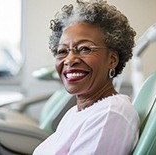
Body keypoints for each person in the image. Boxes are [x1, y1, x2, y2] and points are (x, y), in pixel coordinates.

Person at [33, 0, 140, 154]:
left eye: (84, 49)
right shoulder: (75, 113)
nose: (69, 60)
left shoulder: (110, 115)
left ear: (112, 59)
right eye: (62, 51)